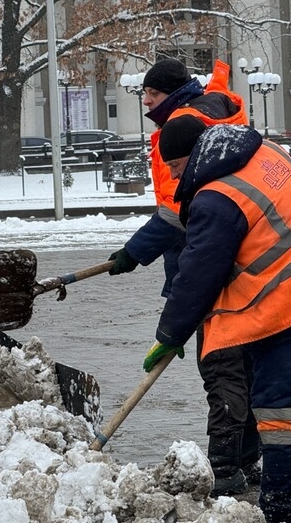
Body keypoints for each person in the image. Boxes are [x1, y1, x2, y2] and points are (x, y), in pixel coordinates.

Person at [143, 115, 291, 523]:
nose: (174, 178)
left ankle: (283, 512)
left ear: (192, 157)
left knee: (280, 412)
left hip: (289, 305)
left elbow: (197, 274)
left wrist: (169, 335)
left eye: (175, 168)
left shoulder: (216, 198)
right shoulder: (263, 152)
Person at [106, 58, 260, 497]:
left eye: (150, 93)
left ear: (170, 91)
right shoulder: (213, 113)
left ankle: (229, 469)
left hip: (212, 260)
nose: (146, 101)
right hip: (222, 258)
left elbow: (180, 211)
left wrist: (137, 252)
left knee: (220, 363)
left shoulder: (184, 126)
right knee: (237, 366)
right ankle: (245, 459)